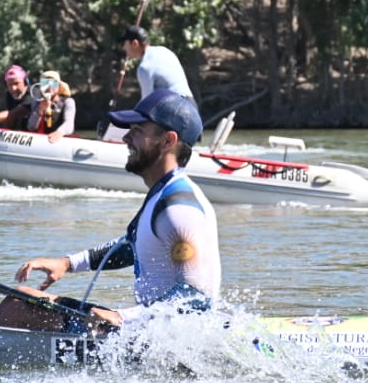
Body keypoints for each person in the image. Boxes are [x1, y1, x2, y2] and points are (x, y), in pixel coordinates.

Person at [15, 88, 219, 327]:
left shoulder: (179, 208)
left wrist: (122, 317)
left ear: (168, 141)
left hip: (158, 342)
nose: (125, 138)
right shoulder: (162, 194)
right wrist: (67, 264)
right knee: (23, 300)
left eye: (138, 131)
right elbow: (133, 248)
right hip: (144, 330)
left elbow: (196, 298)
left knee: (19, 306)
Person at [119, 25, 193, 100]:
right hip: (192, 105)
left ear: (135, 43)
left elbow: (146, 103)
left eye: (125, 44)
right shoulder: (164, 51)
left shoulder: (145, 67)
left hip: (174, 106)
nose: (124, 47)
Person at [27, 70, 76, 143]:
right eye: (45, 83)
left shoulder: (68, 102)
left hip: (62, 142)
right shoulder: (37, 103)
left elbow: (69, 124)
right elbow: (31, 127)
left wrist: (59, 132)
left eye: (53, 83)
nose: (49, 87)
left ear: (59, 86)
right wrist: (39, 111)